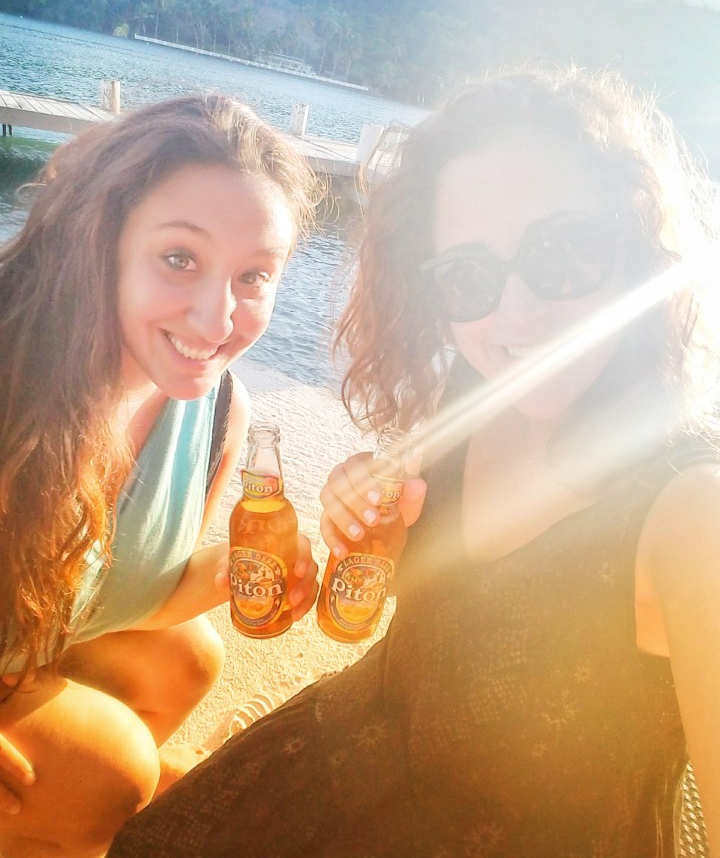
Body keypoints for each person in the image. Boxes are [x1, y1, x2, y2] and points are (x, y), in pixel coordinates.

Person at [107, 64, 720, 858]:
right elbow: (444, 618)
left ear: (638, 246)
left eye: (563, 252)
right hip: (334, 759)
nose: (518, 314)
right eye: (468, 276)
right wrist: (377, 537)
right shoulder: (476, 395)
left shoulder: (692, 514)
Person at [0, 93, 322, 857]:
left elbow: (126, 593)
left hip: (25, 646)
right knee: (114, 767)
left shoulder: (214, 413)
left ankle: (66, 824)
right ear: (100, 240)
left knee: (187, 658)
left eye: (254, 276)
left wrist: (237, 568)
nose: (216, 322)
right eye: (180, 258)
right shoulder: (15, 367)